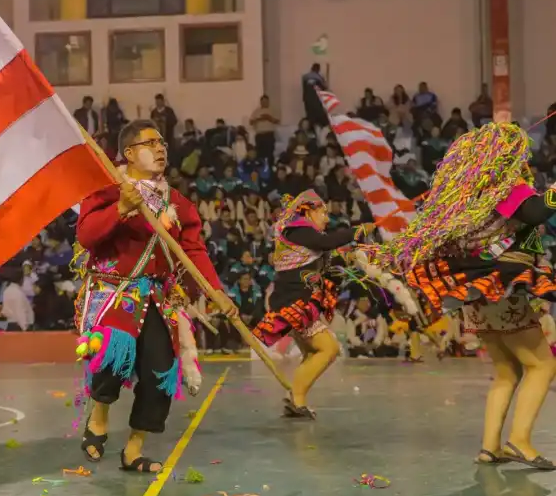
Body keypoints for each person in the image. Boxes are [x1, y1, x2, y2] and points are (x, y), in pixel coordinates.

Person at [366, 123, 556, 468]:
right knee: (542, 364)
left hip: (478, 295)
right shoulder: (507, 189)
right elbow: (536, 212)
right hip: (504, 288)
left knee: (506, 371)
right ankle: (520, 440)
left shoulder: (468, 199)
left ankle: (490, 447)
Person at [74, 119, 237, 474]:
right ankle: (98, 418)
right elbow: (86, 235)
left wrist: (216, 293)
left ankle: (133, 451)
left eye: (162, 142)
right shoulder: (107, 190)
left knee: (162, 371)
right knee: (113, 353)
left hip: (157, 297)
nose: (161, 148)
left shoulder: (178, 204)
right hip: (115, 292)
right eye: (151, 143)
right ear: (129, 153)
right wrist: (120, 208)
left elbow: (193, 252)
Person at [253, 190, 373, 419]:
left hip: (297, 301)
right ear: (308, 211)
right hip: (294, 303)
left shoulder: (303, 237)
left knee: (312, 352)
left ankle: (295, 399)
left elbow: (326, 259)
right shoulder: (298, 230)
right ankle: (296, 400)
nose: (327, 218)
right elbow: (326, 242)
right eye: (323, 212)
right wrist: (357, 230)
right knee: (329, 348)